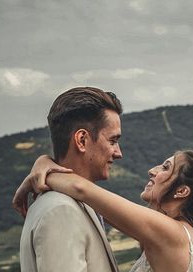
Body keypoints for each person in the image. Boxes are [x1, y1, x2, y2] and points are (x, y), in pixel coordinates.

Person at [13, 149, 193, 272]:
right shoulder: (183, 236)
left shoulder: (172, 233)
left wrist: (41, 169)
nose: (152, 171)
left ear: (182, 191)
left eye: (165, 167)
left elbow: (81, 190)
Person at [18, 87, 123, 272]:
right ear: (82, 140)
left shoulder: (78, 203)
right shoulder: (60, 210)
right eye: (113, 141)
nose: (118, 153)